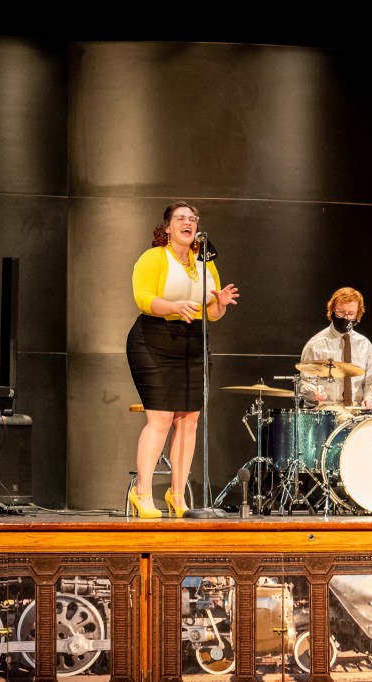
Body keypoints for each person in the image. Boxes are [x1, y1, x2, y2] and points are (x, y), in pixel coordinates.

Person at [126, 201, 239, 518]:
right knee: (160, 419)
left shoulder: (204, 261)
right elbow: (144, 299)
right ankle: (143, 492)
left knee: (189, 420)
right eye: (181, 218)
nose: (188, 223)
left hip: (193, 341)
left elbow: (212, 312)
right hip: (154, 339)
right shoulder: (153, 258)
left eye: (192, 219)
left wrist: (222, 304)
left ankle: (177, 495)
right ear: (167, 228)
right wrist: (175, 307)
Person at [299, 287, 372, 411]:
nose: (345, 317)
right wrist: (314, 393)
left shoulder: (365, 345)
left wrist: (370, 398)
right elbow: (305, 384)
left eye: (351, 314)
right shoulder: (316, 345)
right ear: (332, 310)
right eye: (341, 312)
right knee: (351, 426)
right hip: (327, 408)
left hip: (357, 408)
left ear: (358, 315)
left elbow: (368, 383)